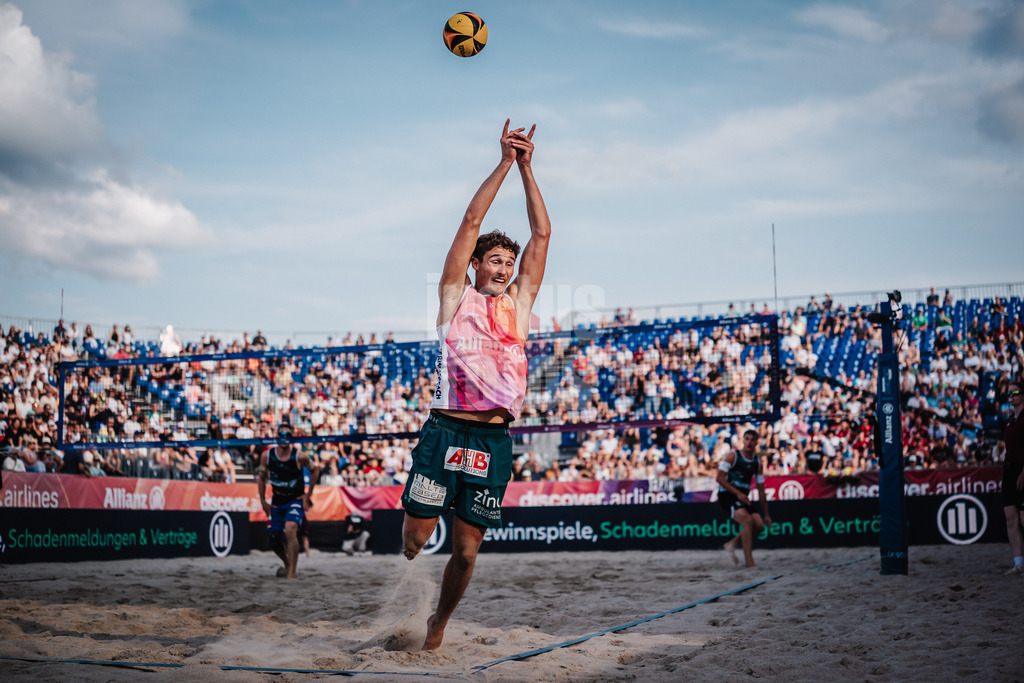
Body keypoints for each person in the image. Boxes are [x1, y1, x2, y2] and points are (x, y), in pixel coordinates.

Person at [400, 119, 551, 650]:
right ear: (475, 266)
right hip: (444, 431)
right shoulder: (454, 296)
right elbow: (471, 220)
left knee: (466, 552)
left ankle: (437, 624)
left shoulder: (519, 305)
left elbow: (542, 236)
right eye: (495, 260)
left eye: (510, 262)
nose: (505, 268)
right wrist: (505, 161)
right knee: (415, 541)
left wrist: (528, 168)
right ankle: (415, 541)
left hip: (491, 439)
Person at [257, 422, 319, 579]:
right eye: (282, 435)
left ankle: (292, 573)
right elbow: (261, 477)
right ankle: (287, 563)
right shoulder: (267, 456)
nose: (284, 437)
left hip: (294, 500)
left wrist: (308, 495)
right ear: (277, 437)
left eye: (288, 435)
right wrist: (263, 500)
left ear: (291, 438)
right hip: (277, 501)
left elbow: (315, 470)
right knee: (274, 541)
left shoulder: (300, 456)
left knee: (290, 529)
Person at [716, 429, 772, 568]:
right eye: (747, 439)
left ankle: (732, 544)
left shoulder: (757, 462)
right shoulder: (733, 456)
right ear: (743, 440)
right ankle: (749, 562)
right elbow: (719, 478)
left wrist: (766, 514)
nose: (749, 442)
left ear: (756, 442)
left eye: (752, 439)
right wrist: (737, 493)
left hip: (742, 496)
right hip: (727, 494)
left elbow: (761, 489)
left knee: (759, 525)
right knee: (747, 521)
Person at [1001, 379, 1024, 576]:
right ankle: (1019, 563)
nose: (1011, 396)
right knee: (1011, 517)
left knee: (1023, 518)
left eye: (1015, 392)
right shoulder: (1010, 420)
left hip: (1022, 469)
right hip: (1009, 470)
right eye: (1009, 393)